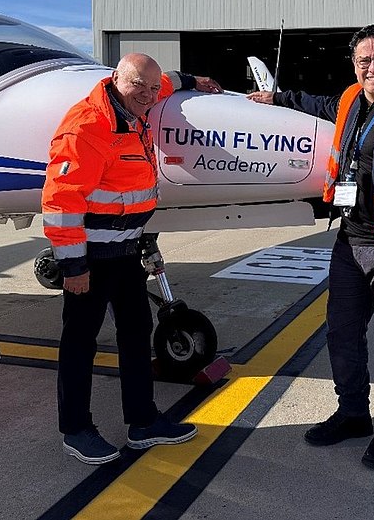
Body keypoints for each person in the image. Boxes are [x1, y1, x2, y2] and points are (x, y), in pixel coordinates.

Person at [247, 24, 374, 469]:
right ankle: (353, 413)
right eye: (364, 60)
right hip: (350, 239)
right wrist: (278, 98)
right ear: (354, 63)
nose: (372, 67)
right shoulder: (349, 99)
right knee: (341, 331)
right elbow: (315, 104)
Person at [42, 53, 222, 465]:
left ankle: (143, 423)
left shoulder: (136, 104)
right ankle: (75, 429)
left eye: (153, 89)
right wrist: (73, 265)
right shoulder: (88, 125)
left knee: (137, 334)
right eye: (138, 85)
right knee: (80, 343)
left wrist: (193, 77)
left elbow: (162, 82)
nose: (147, 95)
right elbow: (61, 200)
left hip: (125, 251)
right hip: (91, 255)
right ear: (114, 80)